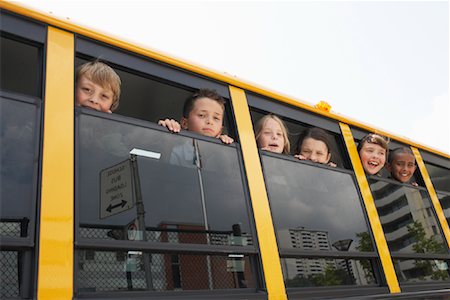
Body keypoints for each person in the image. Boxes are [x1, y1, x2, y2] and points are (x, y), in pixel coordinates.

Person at [158, 89, 233, 144]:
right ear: (185, 123)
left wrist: (224, 147)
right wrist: (165, 132)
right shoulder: (175, 144)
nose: (210, 121)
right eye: (202, 115)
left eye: (216, 118)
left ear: (220, 130)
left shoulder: (221, 151)